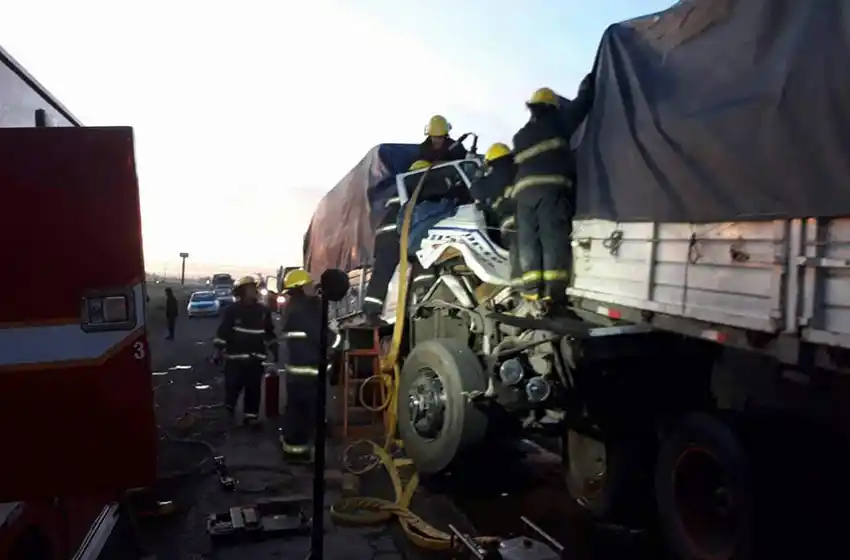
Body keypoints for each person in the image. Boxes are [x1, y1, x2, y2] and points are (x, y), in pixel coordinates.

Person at [511, 78, 594, 307]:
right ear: (553, 107)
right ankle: (554, 292)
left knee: (529, 242)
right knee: (552, 239)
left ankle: (531, 292)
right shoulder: (558, 122)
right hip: (550, 190)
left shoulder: (520, 136)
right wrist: (590, 82)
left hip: (523, 196)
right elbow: (583, 104)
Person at [213, 275, 279, 426]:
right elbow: (223, 332)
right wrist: (218, 351)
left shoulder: (263, 311)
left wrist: (274, 348)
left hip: (256, 360)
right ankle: (228, 414)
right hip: (235, 360)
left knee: (253, 390)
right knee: (232, 388)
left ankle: (251, 418)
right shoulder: (232, 311)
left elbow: (269, 333)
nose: (254, 291)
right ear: (242, 291)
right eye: (250, 288)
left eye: (254, 288)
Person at [278, 268, 326, 460]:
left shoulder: (295, 307)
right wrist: (341, 342)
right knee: (305, 416)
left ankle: (294, 452)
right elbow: (320, 335)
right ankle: (300, 455)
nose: (311, 287)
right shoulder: (302, 310)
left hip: (299, 373)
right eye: (308, 285)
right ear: (299, 288)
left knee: (297, 414)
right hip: (307, 374)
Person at [470, 142, 519, 280]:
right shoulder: (519, 170)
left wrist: (478, 175)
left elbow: (476, 191)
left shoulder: (493, 177)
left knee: (516, 254)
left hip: (510, 222)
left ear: (491, 163)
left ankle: (520, 285)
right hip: (532, 214)